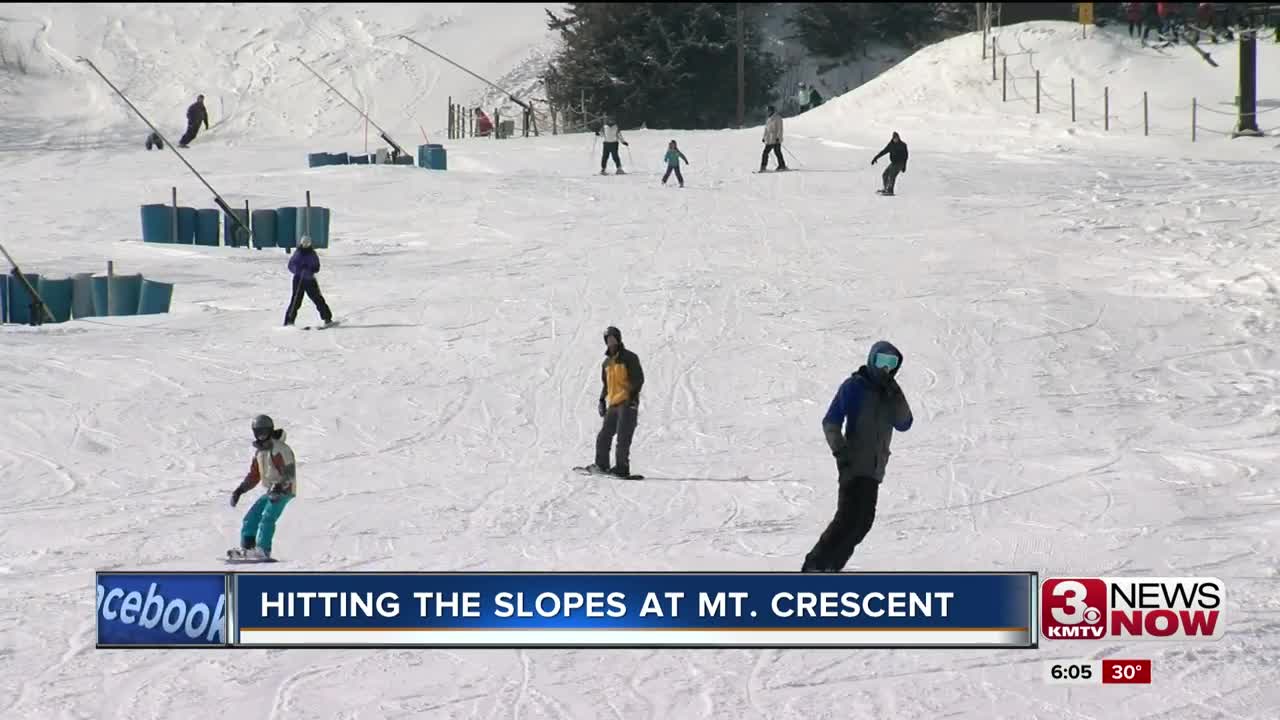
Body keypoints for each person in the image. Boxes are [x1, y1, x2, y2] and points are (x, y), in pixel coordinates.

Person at [801, 341, 913, 573]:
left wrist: (895, 393)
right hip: (853, 464)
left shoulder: (889, 393)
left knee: (862, 523)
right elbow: (830, 421)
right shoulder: (854, 386)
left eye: (891, 364)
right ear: (872, 359)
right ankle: (815, 567)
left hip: (874, 469)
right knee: (848, 520)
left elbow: (904, 423)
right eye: (882, 361)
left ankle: (831, 567)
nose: (885, 368)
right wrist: (841, 453)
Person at [228, 415, 297, 559]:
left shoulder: (280, 449)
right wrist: (240, 490)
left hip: (284, 490)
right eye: (258, 432)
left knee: (267, 517)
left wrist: (279, 486)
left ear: (270, 430)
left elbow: (289, 472)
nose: (261, 435)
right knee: (250, 518)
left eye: (264, 431)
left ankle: (263, 550)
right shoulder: (259, 452)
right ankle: (247, 549)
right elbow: (254, 475)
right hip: (271, 491)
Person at [587, 326, 644, 477]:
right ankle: (602, 465)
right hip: (613, 404)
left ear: (618, 339)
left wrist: (631, 398)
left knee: (623, 437)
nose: (611, 341)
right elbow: (606, 385)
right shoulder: (606, 363)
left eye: (613, 337)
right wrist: (601, 400)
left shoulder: (629, 357)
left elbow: (638, 379)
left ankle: (621, 468)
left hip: (627, 403)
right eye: (608, 338)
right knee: (604, 435)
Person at [283, 235, 334, 327]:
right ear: (301, 244)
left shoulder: (312, 254)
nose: (306, 245)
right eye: (304, 244)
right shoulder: (298, 253)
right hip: (299, 280)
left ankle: (327, 318)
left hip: (310, 280)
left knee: (318, 299)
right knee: (296, 300)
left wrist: (313, 268)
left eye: (307, 244)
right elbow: (291, 265)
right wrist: (298, 269)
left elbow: (316, 266)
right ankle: (289, 321)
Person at [760, 105, 787, 172]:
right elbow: (766, 129)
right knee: (776, 152)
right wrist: (764, 137)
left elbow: (780, 129)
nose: (767, 112)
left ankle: (764, 167)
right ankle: (782, 165)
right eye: (767, 111)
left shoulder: (777, 118)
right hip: (769, 139)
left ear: (772, 111)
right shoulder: (768, 119)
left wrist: (778, 137)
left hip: (775, 139)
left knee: (770, 152)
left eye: (769, 111)